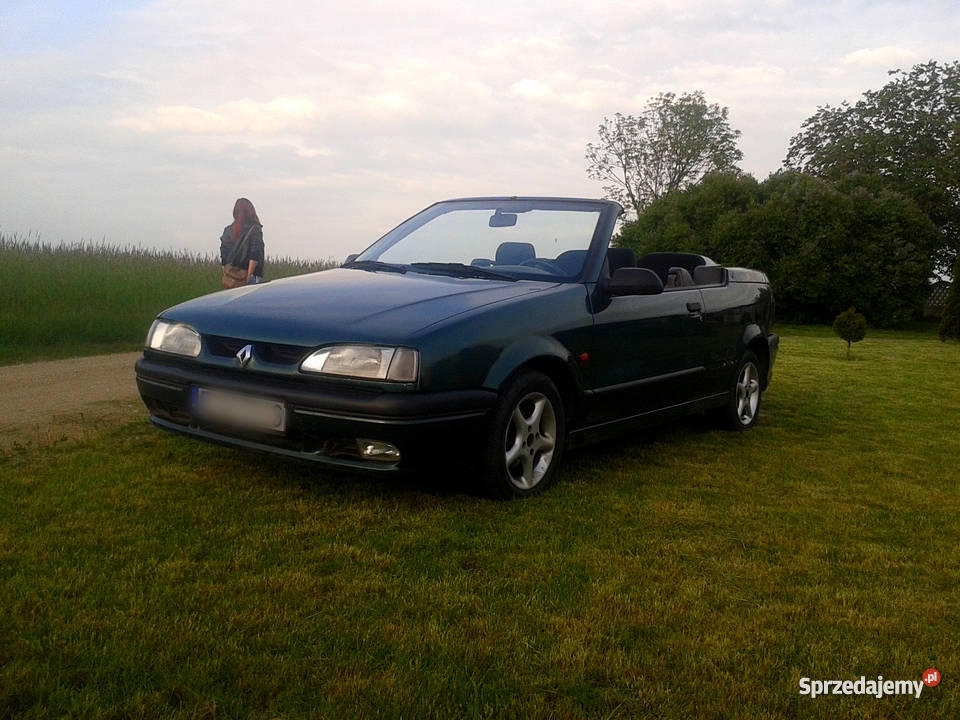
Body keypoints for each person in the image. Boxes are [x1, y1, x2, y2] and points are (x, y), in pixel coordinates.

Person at [220, 198, 265, 285]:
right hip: (248, 275)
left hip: (231, 277)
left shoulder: (227, 230)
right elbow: (254, 255)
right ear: (251, 211)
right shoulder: (255, 228)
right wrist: (249, 277)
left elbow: (223, 256)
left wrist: (227, 274)